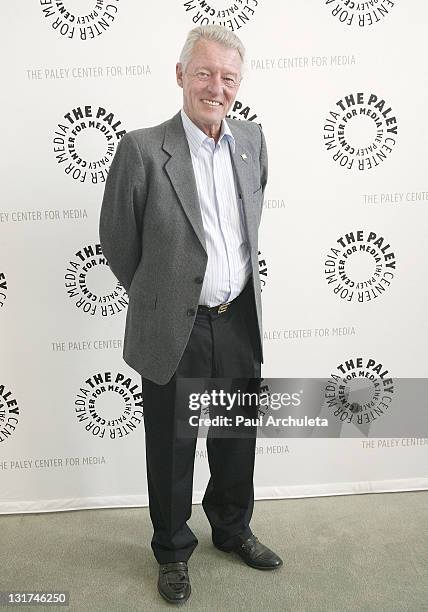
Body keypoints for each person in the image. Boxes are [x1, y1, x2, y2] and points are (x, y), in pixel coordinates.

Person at [99, 24, 282, 605]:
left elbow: (249, 226)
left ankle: (231, 529)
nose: (216, 86)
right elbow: (117, 240)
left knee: (235, 438)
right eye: (204, 72)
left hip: (237, 320)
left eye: (228, 77)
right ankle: (173, 550)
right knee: (173, 446)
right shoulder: (143, 149)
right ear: (181, 75)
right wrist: (161, 296)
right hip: (174, 326)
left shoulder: (252, 140)